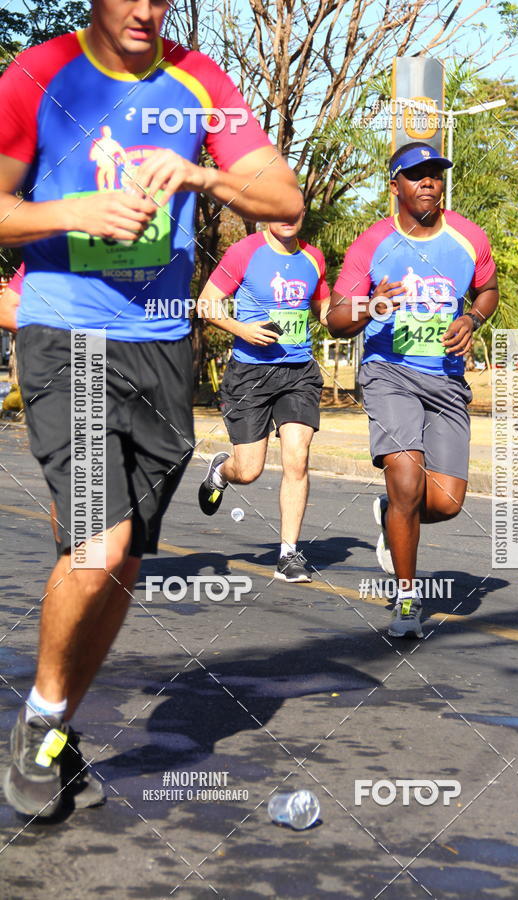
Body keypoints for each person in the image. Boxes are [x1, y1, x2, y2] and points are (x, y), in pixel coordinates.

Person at [0, 0, 302, 819]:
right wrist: (69, 212)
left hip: (162, 346)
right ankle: (40, 724)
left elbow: (284, 198)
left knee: (124, 559)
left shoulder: (199, 79)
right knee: (101, 539)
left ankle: (56, 732)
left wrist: (205, 174)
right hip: (73, 335)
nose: (144, 8)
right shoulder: (36, 77)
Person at [327, 141, 498, 638]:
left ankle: (390, 516)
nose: (428, 181)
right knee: (406, 479)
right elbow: (337, 319)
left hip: (445, 379)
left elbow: (489, 289)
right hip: (389, 374)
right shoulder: (373, 244)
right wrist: (370, 307)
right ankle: (406, 600)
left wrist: (472, 318)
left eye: (435, 174)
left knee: (445, 502)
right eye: (416, 174)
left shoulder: (469, 238)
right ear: (395, 185)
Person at [197, 210, 329, 582]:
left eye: (296, 210)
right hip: (250, 373)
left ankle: (289, 554)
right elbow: (207, 304)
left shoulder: (312, 258)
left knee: (297, 458)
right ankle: (221, 471)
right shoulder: (244, 252)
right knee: (250, 469)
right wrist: (243, 330)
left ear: (305, 213)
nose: (288, 217)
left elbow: (324, 311)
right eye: (279, 210)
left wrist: (371, 306)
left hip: (298, 372)